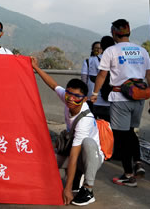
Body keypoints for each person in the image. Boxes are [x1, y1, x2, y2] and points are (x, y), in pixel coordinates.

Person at [91, 19, 150, 187]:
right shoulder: (142, 51)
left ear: (114, 33)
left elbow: (102, 75)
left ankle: (128, 175)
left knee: (121, 137)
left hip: (120, 98)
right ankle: (138, 162)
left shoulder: (111, 51)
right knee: (130, 132)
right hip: (139, 98)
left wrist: (95, 93)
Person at [31, 56, 103, 206]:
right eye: (69, 94)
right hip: (73, 151)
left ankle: (88, 189)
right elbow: (53, 85)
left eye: (77, 96)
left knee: (88, 143)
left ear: (84, 99)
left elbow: (75, 155)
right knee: (45, 161)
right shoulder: (68, 99)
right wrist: (36, 68)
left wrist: (67, 189)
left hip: (90, 158)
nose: (71, 99)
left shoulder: (85, 120)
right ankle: (76, 176)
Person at [81, 41, 110, 121]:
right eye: (96, 48)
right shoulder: (109, 60)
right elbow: (84, 79)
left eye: (100, 48)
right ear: (92, 49)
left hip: (95, 95)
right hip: (99, 96)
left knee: (91, 119)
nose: (98, 50)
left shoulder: (89, 61)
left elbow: (84, 78)